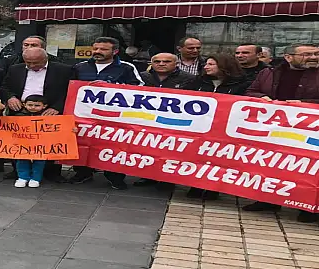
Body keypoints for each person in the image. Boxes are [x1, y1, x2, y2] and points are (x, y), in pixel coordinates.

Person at [242, 43, 319, 223]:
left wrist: (303, 103)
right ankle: (269, 200)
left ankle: (309, 208)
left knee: (307, 167)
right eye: (307, 54)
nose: (314, 58)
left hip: (309, 131)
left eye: (316, 54)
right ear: (288, 57)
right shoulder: (268, 73)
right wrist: (262, 98)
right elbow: (251, 91)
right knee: (272, 164)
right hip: (274, 129)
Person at [69, 37, 144, 189]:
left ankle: (114, 176)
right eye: (95, 48)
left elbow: (139, 88)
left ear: (115, 51)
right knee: (82, 143)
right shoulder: (80, 67)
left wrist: (111, 86)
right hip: (84, 115)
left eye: (103, 49)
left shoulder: (126, 67)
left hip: (113, 116)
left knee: (114, 145)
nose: (97, 52)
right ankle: (83, 172)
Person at [0, 47, 73, 183]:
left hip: (49, 110)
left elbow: (70, 90)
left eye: (36, 63)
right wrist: (10, 97)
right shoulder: (16, 69)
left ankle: (51, 172)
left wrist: (57, 107)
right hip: (21, 109)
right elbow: (5, 87)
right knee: (19, 142)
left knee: (50, 143)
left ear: (45, 59)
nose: (32, 66)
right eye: (28, 62)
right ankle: (19, 171)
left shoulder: (63, 70)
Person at [186, 53, 251, 200]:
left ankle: (212, 188)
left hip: (225, 130)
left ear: (223, 66)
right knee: (198, 156)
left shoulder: (242, 84)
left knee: (219, 159)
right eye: (206, 64)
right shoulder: (199, 82)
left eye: (210, 64)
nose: (206, 67)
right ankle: (195, 185)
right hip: (200, 127)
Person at [134, 53, 195, 187]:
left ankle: (167, 179)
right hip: (148, 120)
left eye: (166, 61)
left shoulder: (190, 79)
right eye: (157, 61)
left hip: (174, 122)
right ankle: (147, 176)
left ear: (176, 64)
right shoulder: (142, 76)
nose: (161, 64)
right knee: (147, 148)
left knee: (170, 151)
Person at [13, 94, 49, 188]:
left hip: (41, 144)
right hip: (23, 144)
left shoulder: (49, 117)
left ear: (44, 106)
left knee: (39, 162)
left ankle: (35, 178)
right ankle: (22, 177)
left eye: (37, 105)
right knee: (22, 160)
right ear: (24, 105)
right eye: (30, 105)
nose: (33, 107)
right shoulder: (18, 116)